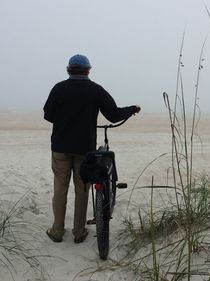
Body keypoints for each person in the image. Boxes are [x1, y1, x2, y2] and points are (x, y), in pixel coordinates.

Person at [43, 54, 140, 243]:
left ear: (68, 70)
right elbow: (113, 115)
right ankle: (79, 232)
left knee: (60, 189)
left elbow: (48, 114)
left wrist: (65, 121)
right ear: (88, 70)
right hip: (84, 148)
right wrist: (131, 109)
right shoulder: (95, 90)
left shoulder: (58, 89)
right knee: (83, 189)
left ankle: (57, 231)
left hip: (60, 147)